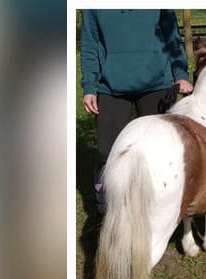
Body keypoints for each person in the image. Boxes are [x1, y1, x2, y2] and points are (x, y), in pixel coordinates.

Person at [80, 9, 194, 215]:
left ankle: (160, 206)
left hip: (156, 83)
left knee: (160, 151)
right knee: (107, 151)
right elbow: (89, 44)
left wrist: (181, 74)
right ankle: (106, 204)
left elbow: (172, 36)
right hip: (111, 86)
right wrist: (89, 86)